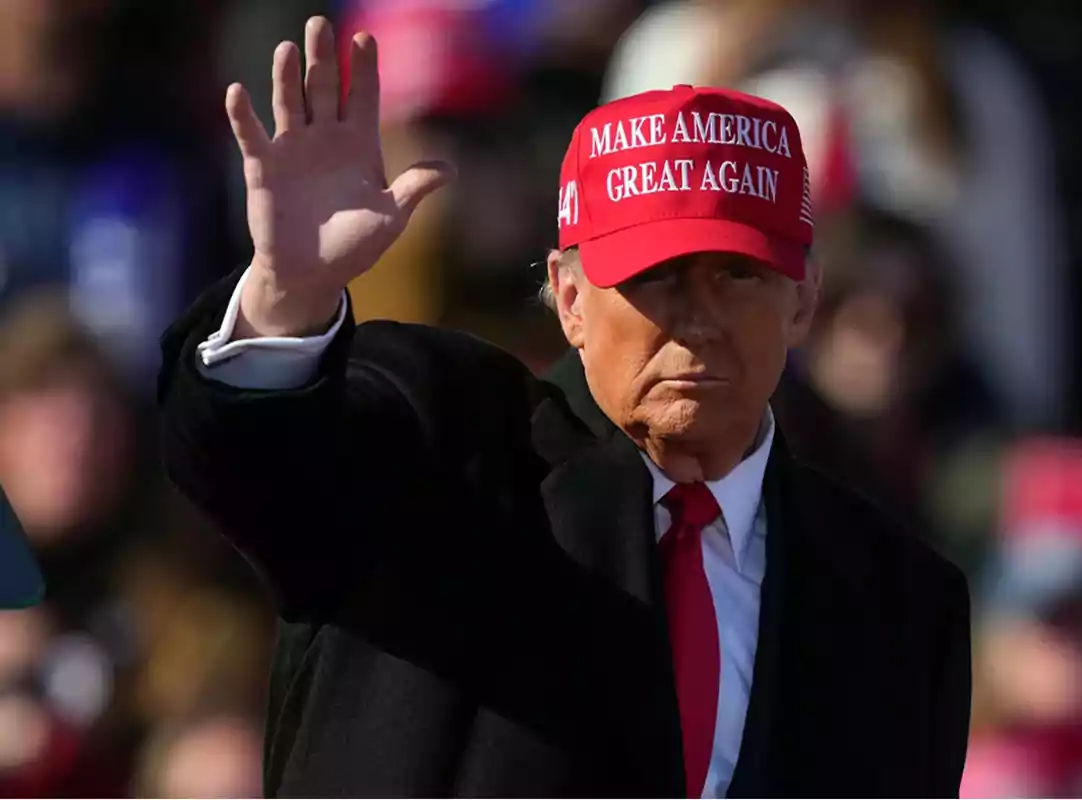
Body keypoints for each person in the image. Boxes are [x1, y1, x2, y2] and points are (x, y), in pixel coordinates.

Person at [157, 15, 971, 797]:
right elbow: (257, 461)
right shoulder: (440, 450)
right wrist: (284, 301)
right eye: (653, 277)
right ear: (569, 298)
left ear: (805, 301)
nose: (696, 320)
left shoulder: (896, 602)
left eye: (737, 275)